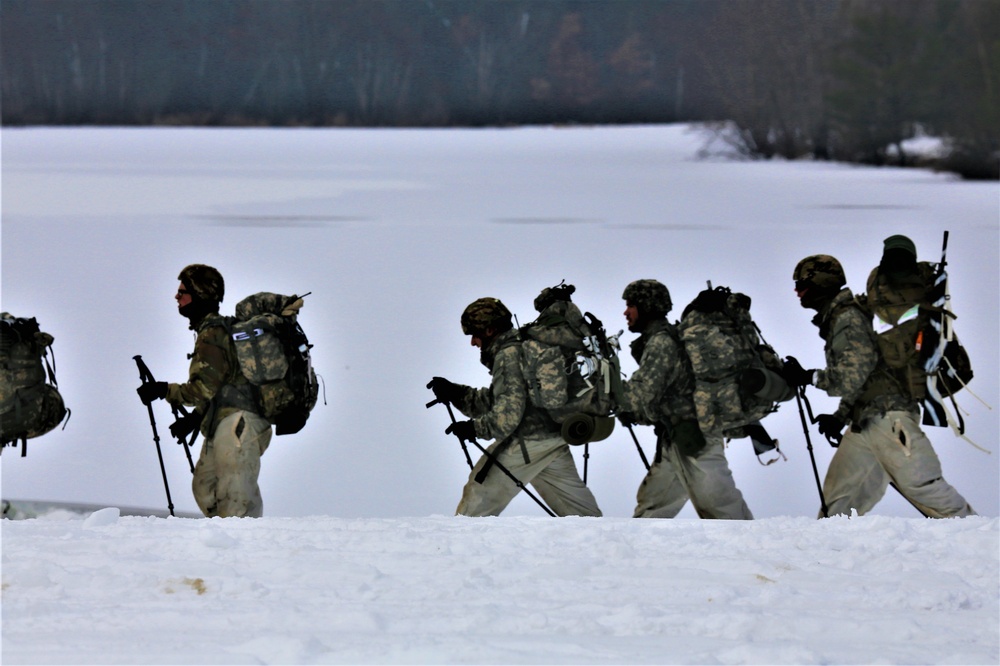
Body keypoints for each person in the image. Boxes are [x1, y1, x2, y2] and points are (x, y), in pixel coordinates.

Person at [783, 253, 975, 518]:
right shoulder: (841, 318)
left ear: (822, 282)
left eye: (802, 284)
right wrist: (840, 416)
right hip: (866, 424)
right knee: (838, 503)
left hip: (890, 421)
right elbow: (868, 375)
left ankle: (982, 541)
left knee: (924, 488)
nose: (797, 291)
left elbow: (850, 377)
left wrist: (809, 377)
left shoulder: (848, 319)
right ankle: (831, 554)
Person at [428, 297, 602, 517]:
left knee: (475, 504)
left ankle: (458, 549)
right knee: (584, 518)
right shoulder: (523, 349)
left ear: (490, 330)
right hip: (554, 441)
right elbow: (498, 400)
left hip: (526, 445)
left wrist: (473, 429)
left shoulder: (508, 355)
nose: (473, 342)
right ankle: (607, 547)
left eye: (475, 334)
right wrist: (456, 393)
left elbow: (507, 417)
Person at [136, 264, 272, 518]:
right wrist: (196, 417)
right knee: (205, 487)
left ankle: (247, 548)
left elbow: (202, 389)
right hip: (224, 420)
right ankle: (233, 541)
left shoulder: (213, 333)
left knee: (235, 499)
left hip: (240, 423)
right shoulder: (213, 331)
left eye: (183, 291)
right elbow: (221, 386)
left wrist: (163, 390)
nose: (177, 297)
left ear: (200, 294)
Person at [617, 279, 753, 519]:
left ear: (647, 306)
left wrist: (607, 397)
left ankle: (760, 553)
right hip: (677, 438)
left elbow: (640, 394)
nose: (626, 312)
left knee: (724, 513)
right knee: (652, 509)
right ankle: (640, 554)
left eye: (631, 305)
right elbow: (667, 397)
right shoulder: (662, 339)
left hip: (697, 440)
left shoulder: (661, 342)